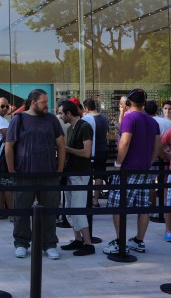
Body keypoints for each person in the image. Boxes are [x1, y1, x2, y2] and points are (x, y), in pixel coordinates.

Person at [6, 89, 65, 260]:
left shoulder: (52, 120)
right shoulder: (19, 119)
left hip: (48, 174)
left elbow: (61, 145)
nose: (47, 105)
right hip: (24, 174)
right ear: (33, 102)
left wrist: (59, 170)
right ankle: (21, 243)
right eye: (43, 102)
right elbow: (9, 146)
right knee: (22, 211)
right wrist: (12, 170)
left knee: (50, 211)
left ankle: (49, 244)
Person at [103, 89, 161, 255]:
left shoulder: (129, 118)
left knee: (117, 206)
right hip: (145, 169)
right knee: (143, 207)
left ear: (128, 103)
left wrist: (118, 163)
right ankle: (139, 241)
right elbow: (157, 146)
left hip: (128, 169)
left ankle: (120, 242)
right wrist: (149, 162)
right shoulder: (153, 122)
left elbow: (125, 142)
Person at [57, 100, 95, 256]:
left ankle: (88, 243)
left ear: (68, 113)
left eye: (60, 113)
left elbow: (87, 153)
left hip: (80, 173)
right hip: (72, 173)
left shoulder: (84, 126)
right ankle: (78, 239)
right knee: (71, 209)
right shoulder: (72, 128)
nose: (59, 116)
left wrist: (65, 149)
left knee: (78, 209)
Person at [83, 99, 109, 208]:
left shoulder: (86, 119)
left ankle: (88, 198)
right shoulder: (104, 118)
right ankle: (96, 199)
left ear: (86, 108)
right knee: (99, 175)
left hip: (91, 149)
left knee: (88, 175)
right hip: (102, 149)